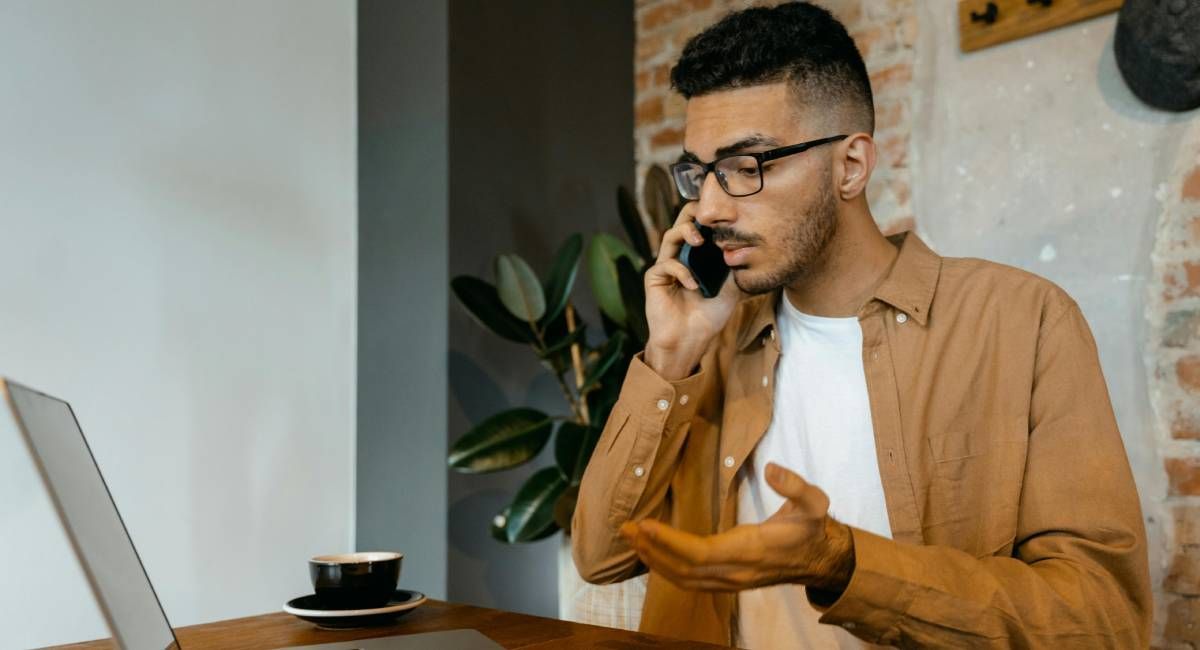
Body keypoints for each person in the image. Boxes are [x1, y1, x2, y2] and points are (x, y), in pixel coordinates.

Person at [570, 3, 1152, 648]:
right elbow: (601, 558)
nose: (708, 206)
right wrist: (671, 353)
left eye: (747, 166)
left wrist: (841, 562)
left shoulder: (1023, 321)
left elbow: (1104, 620)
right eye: (701, 171)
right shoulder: (710, 339)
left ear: (851, 165)